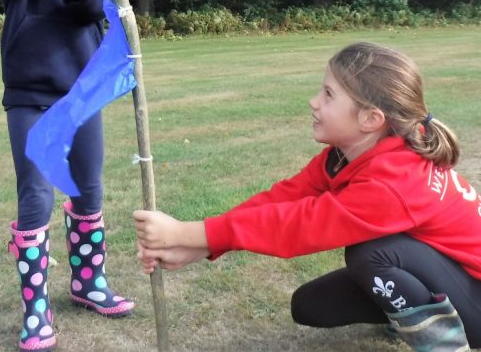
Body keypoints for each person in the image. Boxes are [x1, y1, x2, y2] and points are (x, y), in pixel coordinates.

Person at [134, 41, 481, 351]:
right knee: (311, 306)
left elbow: (300, 226)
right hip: (448, 272)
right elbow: (287, 198)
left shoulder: (394, 183)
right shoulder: (350, 153)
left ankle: (445, 345)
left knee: (370, 253)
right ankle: (408, 310)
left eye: (328, 95)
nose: (313, 102)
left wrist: (185, 233)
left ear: (371, 119)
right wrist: (202, 244)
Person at [0, 0, 134, 352]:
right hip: (31, 96)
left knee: (87, 191)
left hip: (80, 94)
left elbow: (95, 11)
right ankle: (36, 311)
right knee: (36, 195)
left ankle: (88, 282)